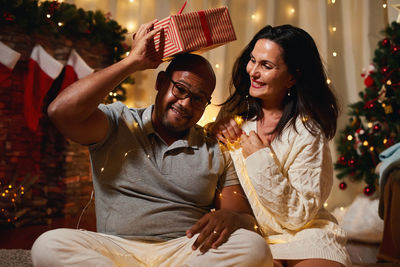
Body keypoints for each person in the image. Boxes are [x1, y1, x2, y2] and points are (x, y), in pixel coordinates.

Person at [30, 20, 272, 267]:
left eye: (198, 99)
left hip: (186, 251)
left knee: (253, 248)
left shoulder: (214, 147)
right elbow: (60, 112)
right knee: (49, 245)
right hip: (116, 248)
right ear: (160, 83)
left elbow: (242, 216)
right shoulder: (118, 122)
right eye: (180, 89)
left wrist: (233, 218)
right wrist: (131, 63)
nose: (186, 104)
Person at [208, 24, 352, 267]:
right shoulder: (235, 122)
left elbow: (298, 216)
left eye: (266, 65)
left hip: (305, 235)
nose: (253, 71)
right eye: (252, 60)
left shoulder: (307, 133)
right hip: (249, 235)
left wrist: (261, 158)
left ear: (292, 77)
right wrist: (212, 132)